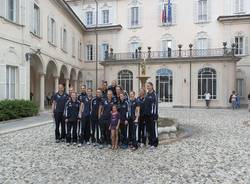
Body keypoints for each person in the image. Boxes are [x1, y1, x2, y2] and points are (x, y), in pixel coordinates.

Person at [144, 82, 158, 148]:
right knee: (148, 129)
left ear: (152, 86)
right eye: (147, 86)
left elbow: (155, 106)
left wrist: (155, 115)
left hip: (152, 115)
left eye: (149, 86)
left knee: (153, 129)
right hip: (147, 115)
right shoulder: (147, 94)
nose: (148, 87)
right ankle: (150, 142)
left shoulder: (154, 95)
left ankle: (154, 143)